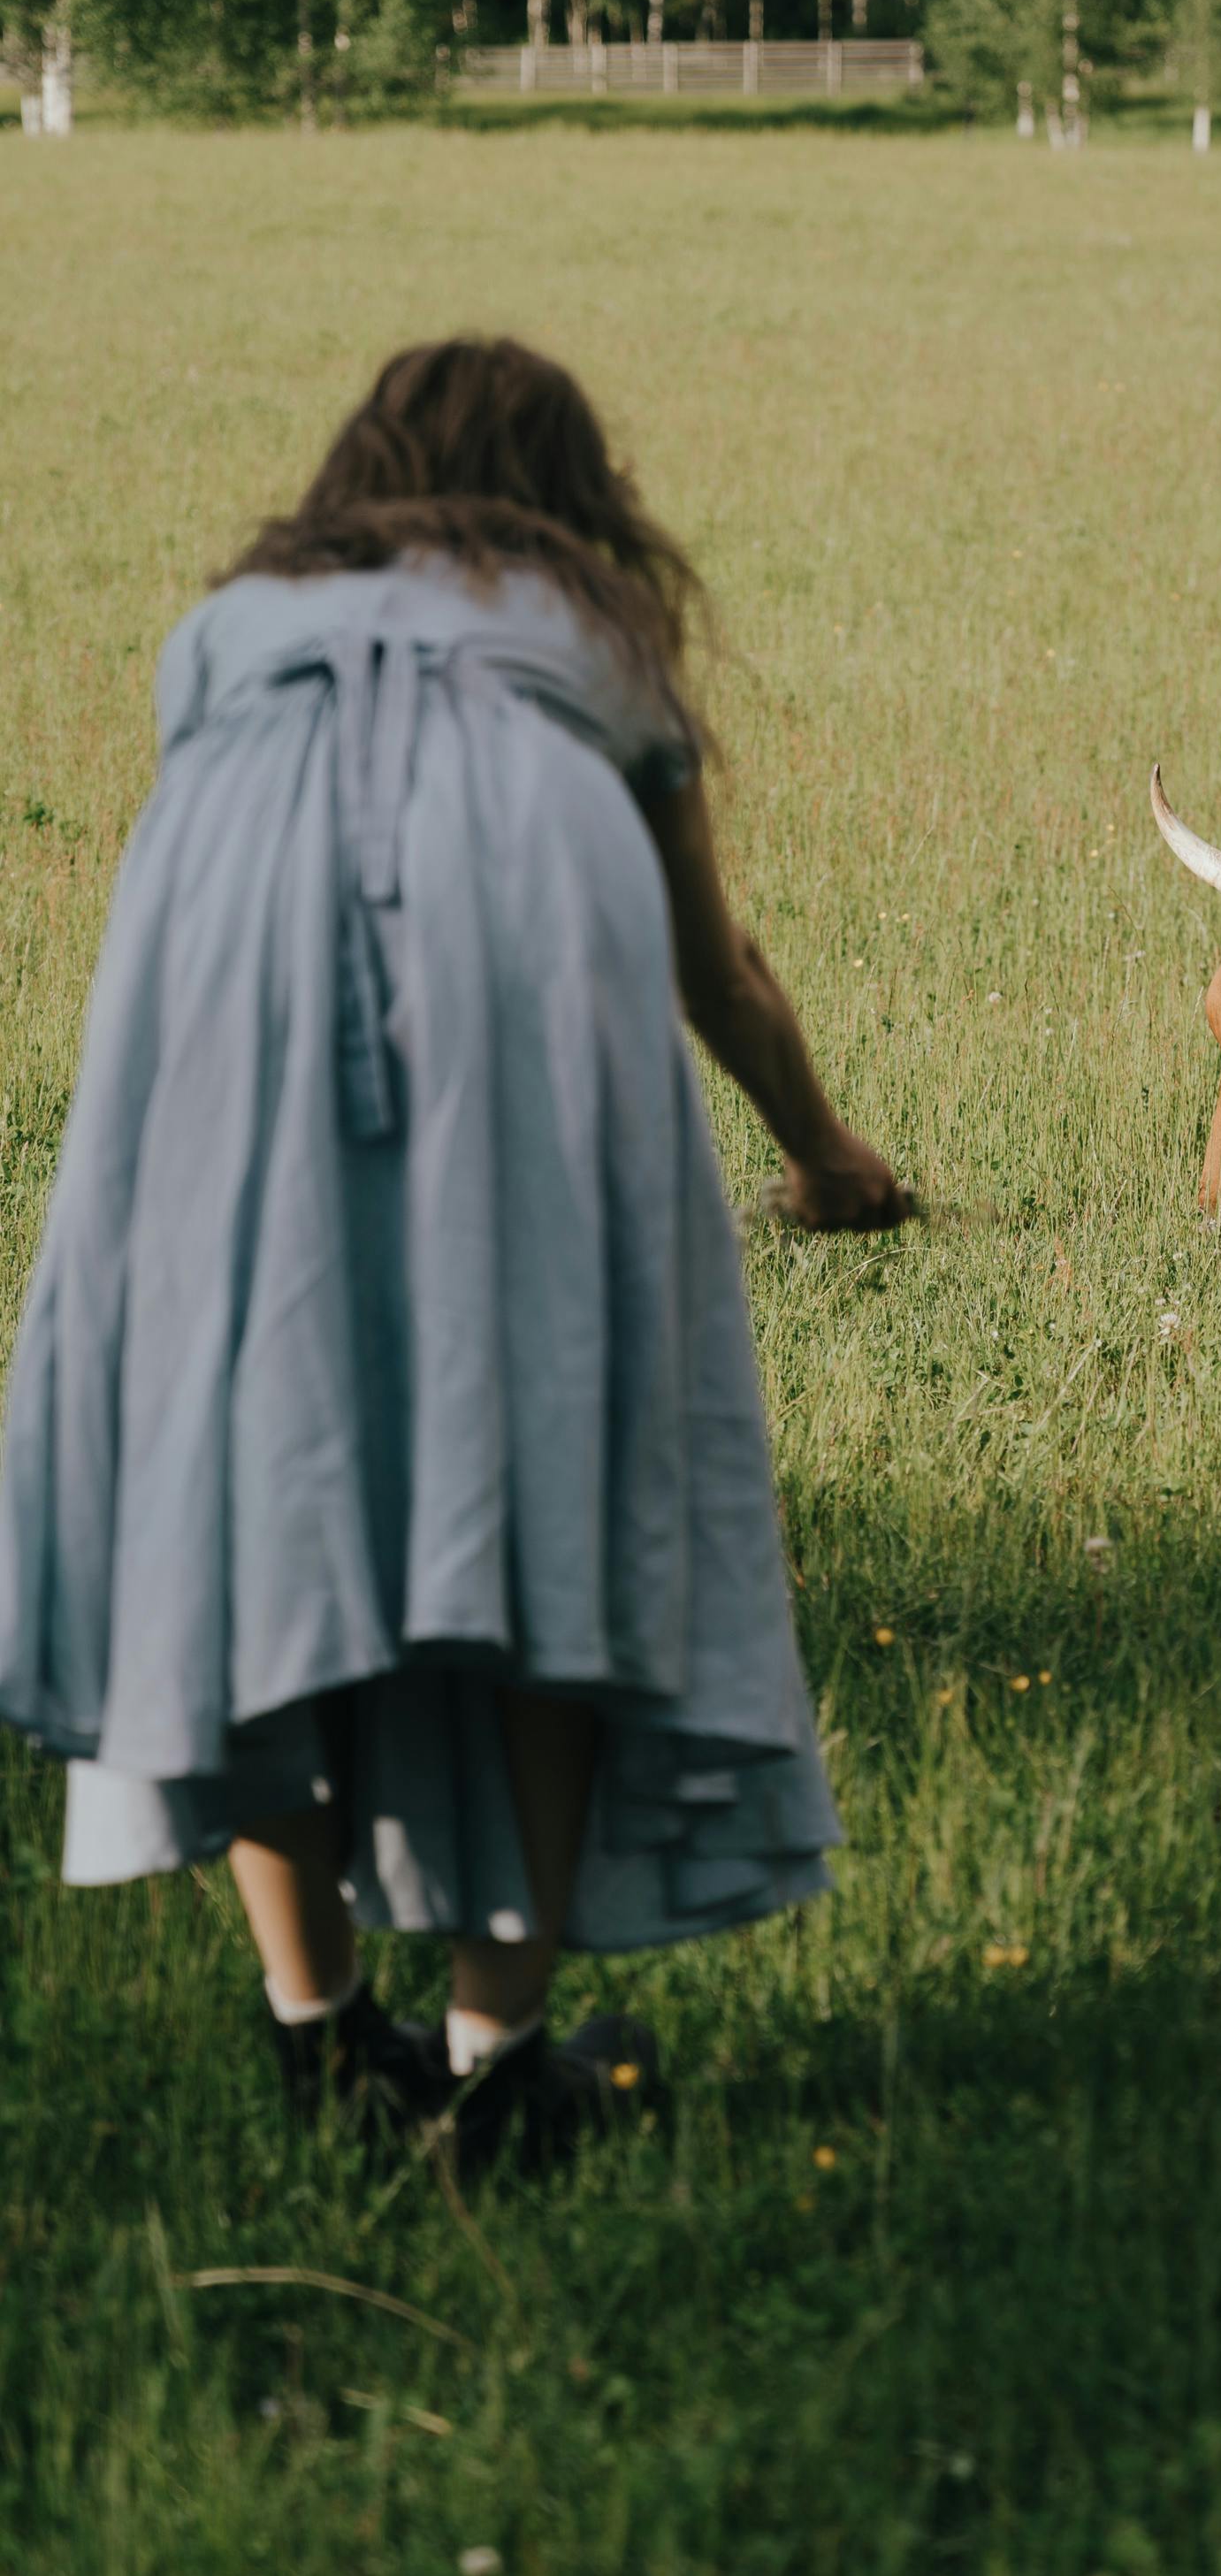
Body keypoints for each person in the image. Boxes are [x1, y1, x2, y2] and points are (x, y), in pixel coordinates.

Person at [0, 337, 911, 2174]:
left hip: (231, 1083)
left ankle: (319, 2039)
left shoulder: (228, 637)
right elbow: (709, 970)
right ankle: (500, 2068)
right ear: (573, 494)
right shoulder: (591, 640)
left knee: (251, 1513)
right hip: (527, 1081)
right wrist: (828, 1155)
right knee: (552, 1510)